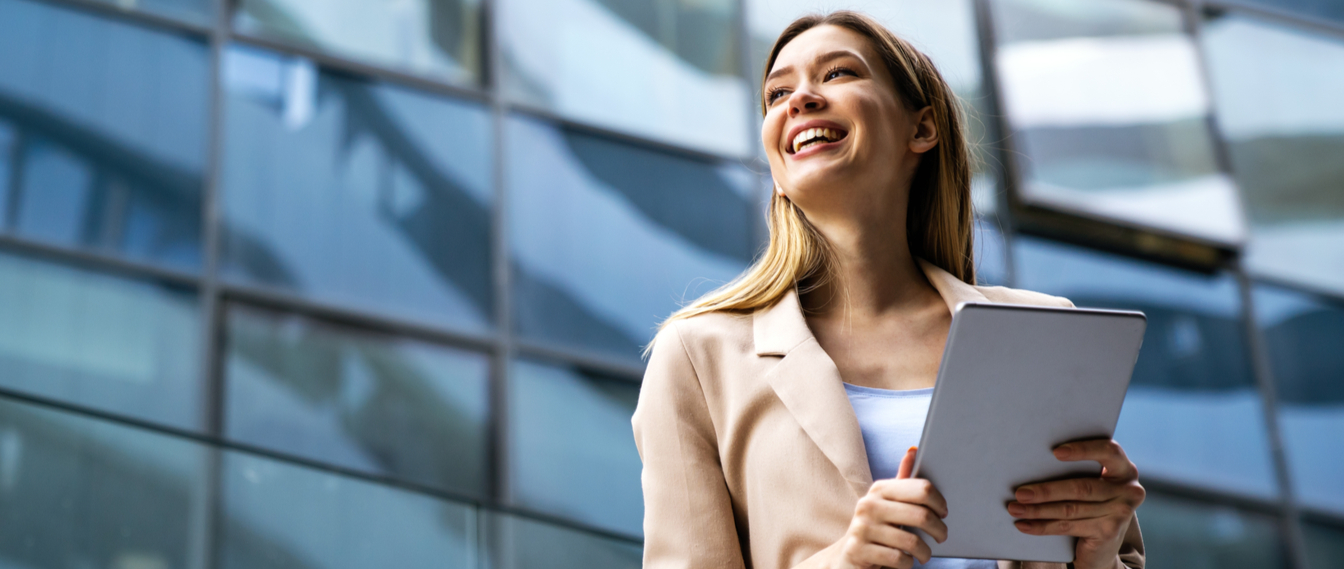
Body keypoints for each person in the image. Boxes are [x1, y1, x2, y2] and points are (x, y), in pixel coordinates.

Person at [632, 10, 1146, 569]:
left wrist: (1097, 556)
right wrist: (847, 561)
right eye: (777, 92)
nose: (797, 100)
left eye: (837, 74)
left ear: (921, 129)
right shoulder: (700, 356)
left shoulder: (1043, 329)